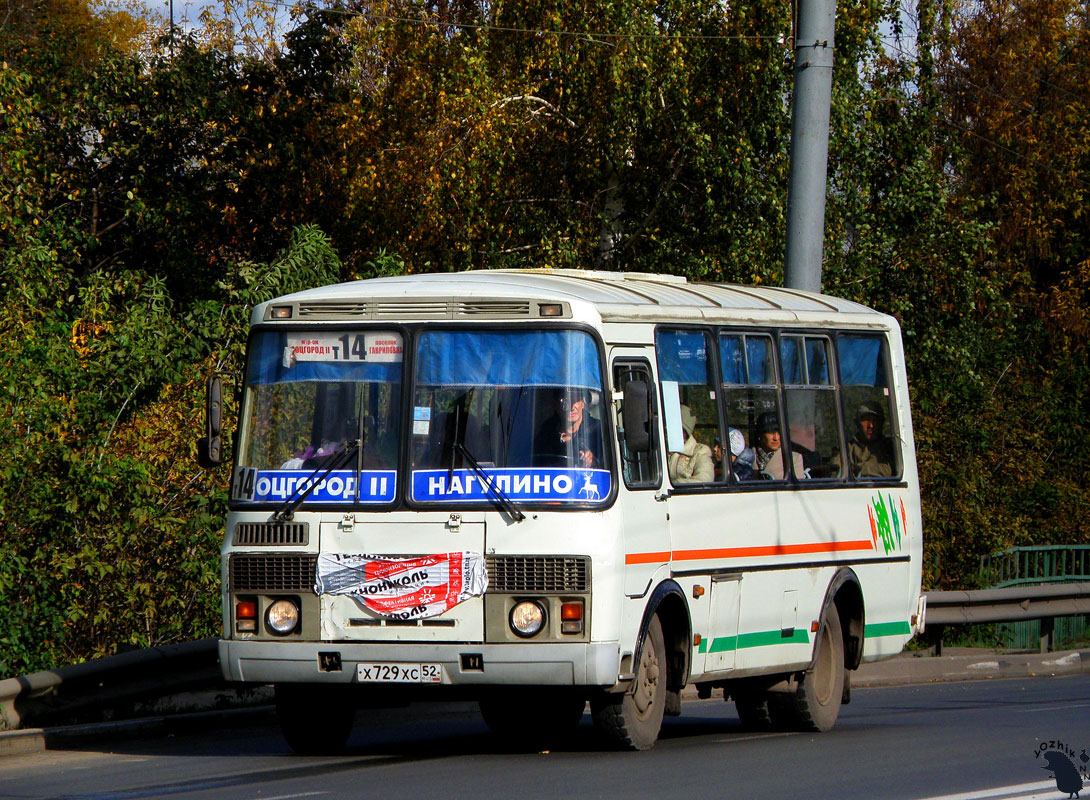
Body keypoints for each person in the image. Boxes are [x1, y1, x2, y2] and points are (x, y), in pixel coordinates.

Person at [535, 388, 602, 468]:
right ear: (555, 405)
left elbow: (610, 464)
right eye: (565, 401)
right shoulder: (546, 434)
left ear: (583, 403)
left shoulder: (597, 431)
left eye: (576, 399)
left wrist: (594, 462)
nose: (572, 407)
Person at [668, 405, 714, 484]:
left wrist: (672, 485)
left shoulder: (700, 452)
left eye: (676, 429)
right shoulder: (660, 448)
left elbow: (705, 480)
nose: (669, 432)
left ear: (686, 433)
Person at [848, 402, 896, 478]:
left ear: (881, 423)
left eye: (875, 420)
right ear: (857, 423)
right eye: (866, 420)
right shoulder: (848, 448)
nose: (871, 425)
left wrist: (857, 469)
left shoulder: (889, 447)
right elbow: (836, 468)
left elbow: (886, 469)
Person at [753, 412, 805, 480]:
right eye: (770, 433)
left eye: (780, 433)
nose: (776, 438)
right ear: (760, 434)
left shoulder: (793, 458)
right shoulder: (748, 458)